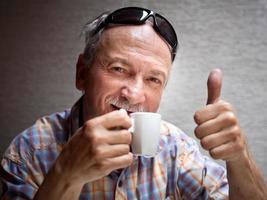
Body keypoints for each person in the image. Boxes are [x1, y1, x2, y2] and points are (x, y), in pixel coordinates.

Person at [0, 6, 266, 200]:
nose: (134, 94)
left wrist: (239, 157)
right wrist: (66, 174)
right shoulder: (30, 150)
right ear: (82, 73)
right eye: (118, 69)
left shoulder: (175, 149)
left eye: (153, 79)